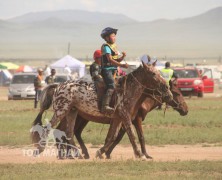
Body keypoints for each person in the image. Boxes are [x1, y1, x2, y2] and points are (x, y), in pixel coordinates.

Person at [100, 27, 129, 113]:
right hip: (107, 70)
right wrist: (122, 65)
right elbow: (110, 60)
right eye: (113, 36)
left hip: (114, 70)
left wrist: (123, 57)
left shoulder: (114, 47)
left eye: (115, 36)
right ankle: (105, 106)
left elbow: (116, 60)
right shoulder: (106, 47)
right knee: (111, 86)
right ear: (106, 38)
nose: (114, 37)